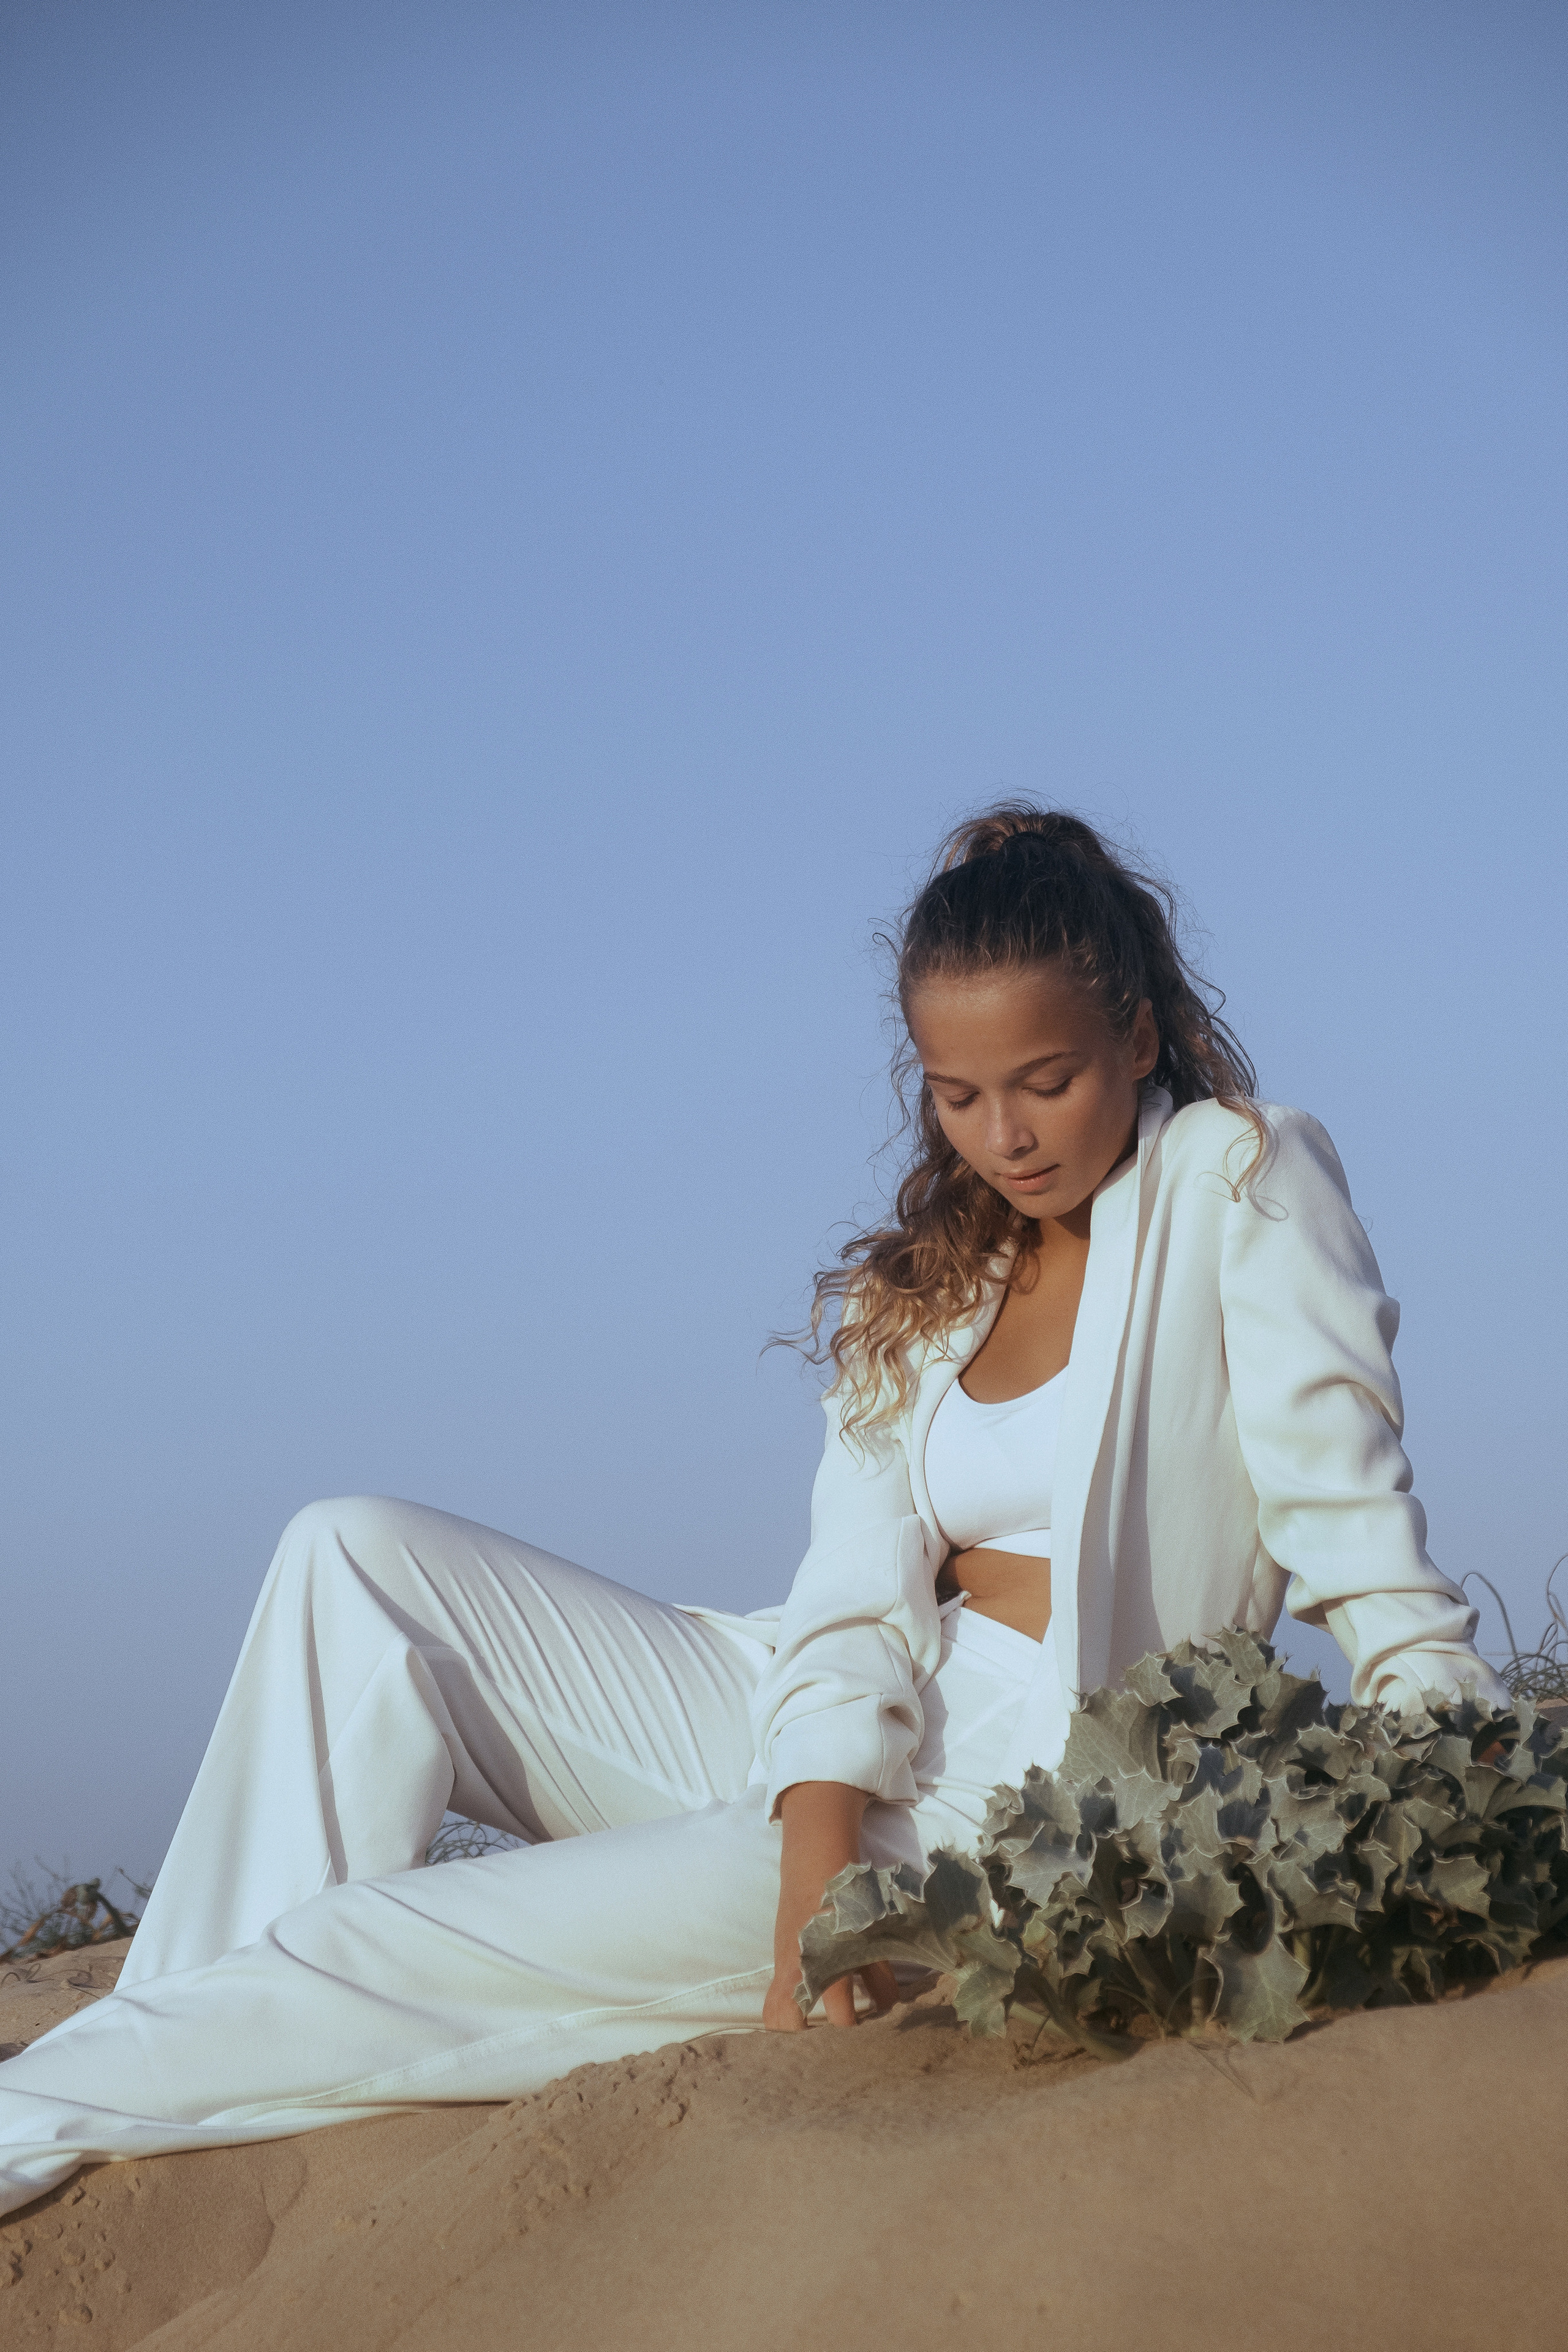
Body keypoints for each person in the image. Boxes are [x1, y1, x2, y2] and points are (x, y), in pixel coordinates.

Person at [0, 805, 1504, 2218]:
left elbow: (1350, 1523)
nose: (1008, 1135)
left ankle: (52, 2116)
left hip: (1020, 1790)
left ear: (1136, 1031)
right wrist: (816, 1862)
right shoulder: (915, 1288)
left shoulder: (1233, 1176)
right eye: (959, 1093)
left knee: (363, 1942)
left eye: (1044, 1080)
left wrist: (1458, 1788)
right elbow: (854, 1600)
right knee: (352, 1554)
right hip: (823, 1724)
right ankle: (161, 2069)